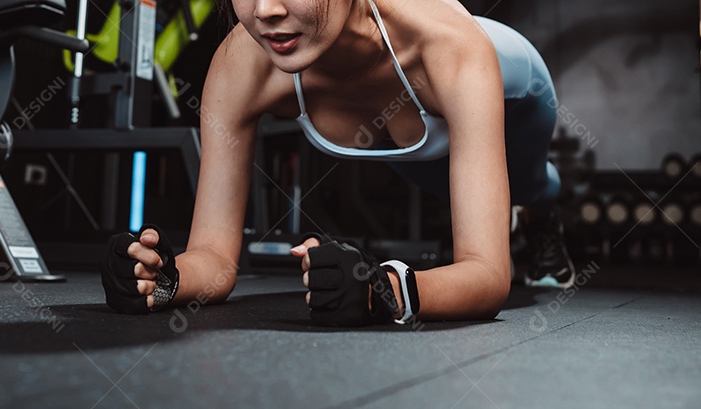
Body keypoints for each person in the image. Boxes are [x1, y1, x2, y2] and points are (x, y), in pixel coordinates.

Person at [100, 0, 576, 326]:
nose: (265, 11)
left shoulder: (448, 46)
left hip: (519, 86)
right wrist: (166, 281)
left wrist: (388, 292)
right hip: (405, 142)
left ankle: (543, 220)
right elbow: (217, 260)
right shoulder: (239, 65)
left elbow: (489, 276)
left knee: (533, 183)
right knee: (435, 177)